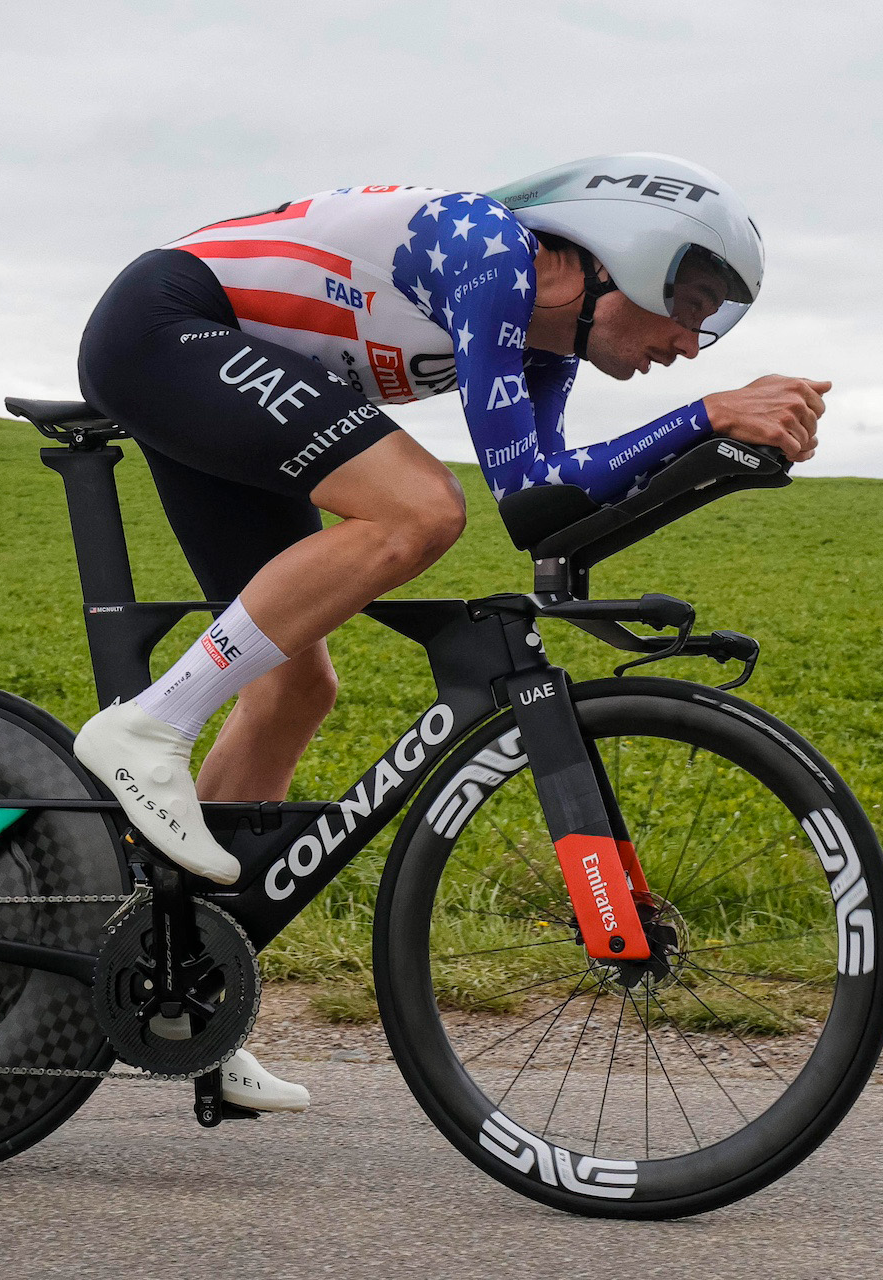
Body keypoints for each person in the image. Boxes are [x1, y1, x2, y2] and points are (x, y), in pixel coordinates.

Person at [70, 153, 830, 1113]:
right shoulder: (489, 254)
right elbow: (508, 499)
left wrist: (719, 450)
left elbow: (545, 510)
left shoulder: (544, 346)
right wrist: (706, 414)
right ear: (623, 251)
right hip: (166, 327)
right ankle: (146, 728)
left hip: (239, 367)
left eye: (716, 323)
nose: (694, 338)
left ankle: (183, 986)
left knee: (296, 687)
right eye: (693, 297)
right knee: (419, 509)